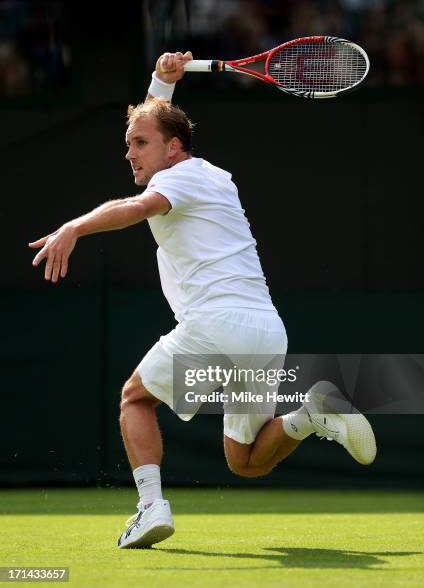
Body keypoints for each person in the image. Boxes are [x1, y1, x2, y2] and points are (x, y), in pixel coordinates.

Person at [29, 51, 376, 550]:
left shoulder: (175, 180)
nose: (130, 154)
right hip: (264, 329)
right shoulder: (211, 174)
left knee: (135, 398)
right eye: (127, 145)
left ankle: (150, 507)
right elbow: (156, 123)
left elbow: (136, 208)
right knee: (247, 460)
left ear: (173, 148)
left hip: (216, 323)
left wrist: (75, 227)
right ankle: (312, 413)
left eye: (139, 145)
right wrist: (160, 81)